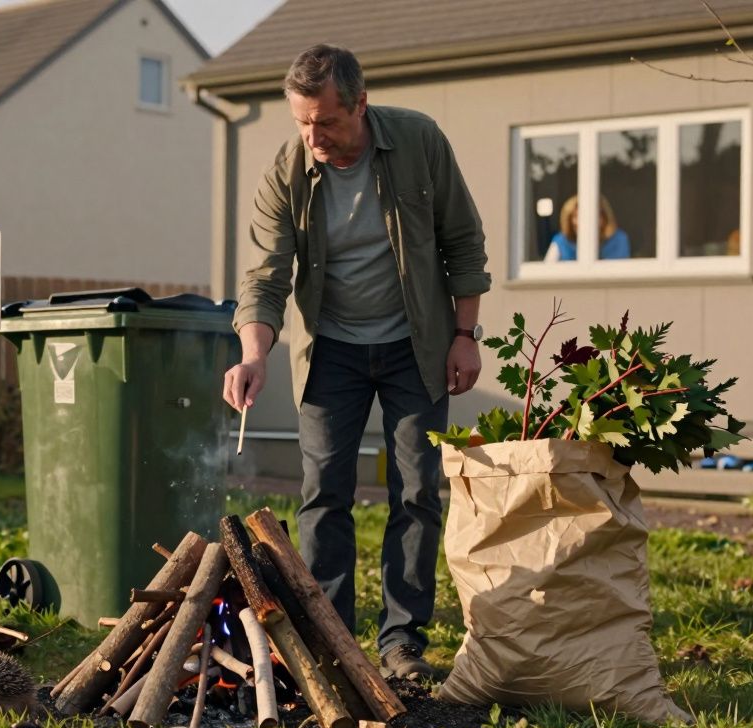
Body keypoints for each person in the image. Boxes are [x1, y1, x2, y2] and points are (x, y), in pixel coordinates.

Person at [221, 44, 490, 681]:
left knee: (418, 491)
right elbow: (264, 276)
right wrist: (253, 355)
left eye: (327, 122)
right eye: (302, 122)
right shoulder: (288, 169)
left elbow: (464, 240)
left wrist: (464, 333)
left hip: (415, 346)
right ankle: (332, 640)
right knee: (323, 497)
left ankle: (402, 644)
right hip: (331, 352)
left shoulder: (419, 141)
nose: (314, 136)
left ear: (360, 105)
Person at [543, 194, 630, 261]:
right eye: (576, 216)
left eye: (590, 215)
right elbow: (546, 271)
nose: (581, 222)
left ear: (603, 218)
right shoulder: (561, 241)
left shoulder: (618, 239)